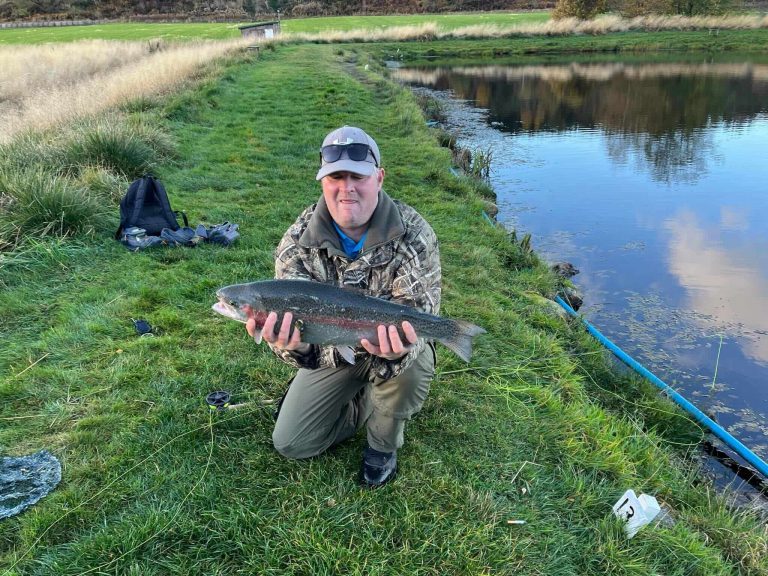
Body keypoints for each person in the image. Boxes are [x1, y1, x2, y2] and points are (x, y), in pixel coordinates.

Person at [245, 125, 441, 487]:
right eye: (336, 176)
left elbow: (419, 316)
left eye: (358, 176)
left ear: (379, 178)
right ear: (322, 180)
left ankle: (382, 447)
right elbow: (299, 347)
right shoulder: (297, 241)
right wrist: (297, 347)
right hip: (330, 350)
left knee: (410, 362)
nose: (346, 187)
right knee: (292, 443)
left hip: (396, 346)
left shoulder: (414, 233)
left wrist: (393, 351)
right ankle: (363, 400)